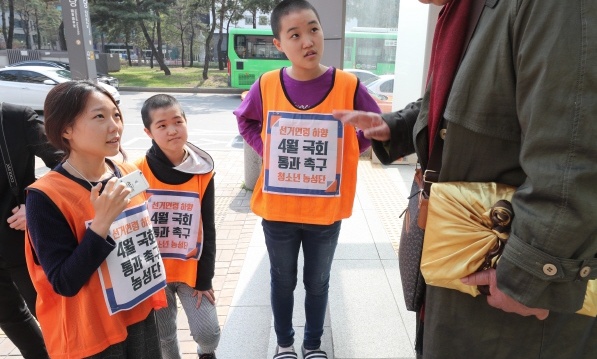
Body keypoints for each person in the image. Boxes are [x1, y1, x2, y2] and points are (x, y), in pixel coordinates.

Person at [334, 0, 597, 358]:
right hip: (465, 264)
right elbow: (457, 101)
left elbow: (575, 149)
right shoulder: (466, 9)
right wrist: (396, 127)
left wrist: (532, 278)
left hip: (515, 295)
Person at [234, 1, 381, 358]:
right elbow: (246, 120)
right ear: (279, 44)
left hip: (324, 213)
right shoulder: (268, 84)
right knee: (282, 282)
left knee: (317, 283)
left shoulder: (347, 84)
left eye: (313, 29)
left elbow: (375, 125)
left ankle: (313, 345)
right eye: (294, 34)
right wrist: (267, 148)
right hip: (279, 212)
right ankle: (285, 345)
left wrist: (346, 152)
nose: (307, 41)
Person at [25, 81, 167, 359]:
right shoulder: (46, 196)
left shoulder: (125, 171)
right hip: (92, 332)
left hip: (138, 312)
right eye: (99, 117)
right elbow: (64, 282)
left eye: (116, 114)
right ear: (66, 129)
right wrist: (101, 225)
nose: (114, 126)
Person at [135, 94, 220, 359]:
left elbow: (208, 226)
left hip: (191, 270)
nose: (172, 130)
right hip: (154, 273)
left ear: (186, 122)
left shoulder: (202, 171)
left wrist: (204, 278)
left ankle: (206, 354)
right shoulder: (136, 171)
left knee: (209, 333)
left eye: (177, 121)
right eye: (161, 125)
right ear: (148, 132)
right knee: (164, 337)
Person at [0, 102, 60, 359]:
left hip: (21, 241)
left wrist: (34, 205)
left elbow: (65, 162)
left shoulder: (15, 118)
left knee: (53, 316)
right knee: (10, 318)